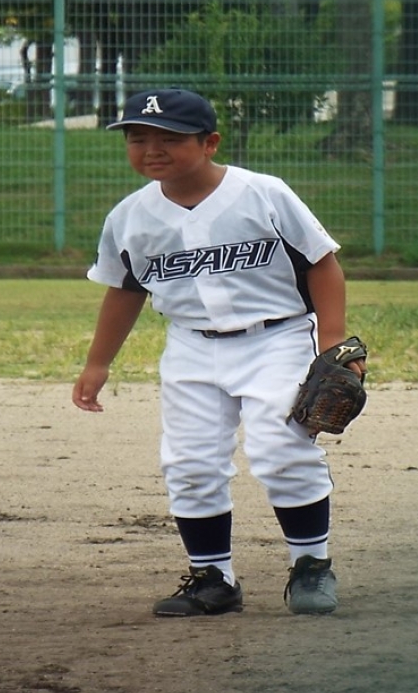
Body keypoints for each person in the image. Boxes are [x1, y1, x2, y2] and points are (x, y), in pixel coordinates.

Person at [72, 88, 364, 618]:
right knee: (189, 460)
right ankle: (213, 578)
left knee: (281, 448)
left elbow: (322, 264)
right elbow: (125, 290)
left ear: (210, 143)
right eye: (138, 138)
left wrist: (333, 345)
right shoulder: (129, 216)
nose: (151, 149)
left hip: (277, 338)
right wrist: (98, 362)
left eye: (169, 138)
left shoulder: (262, 193)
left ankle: (311, 565)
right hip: (190, 346)